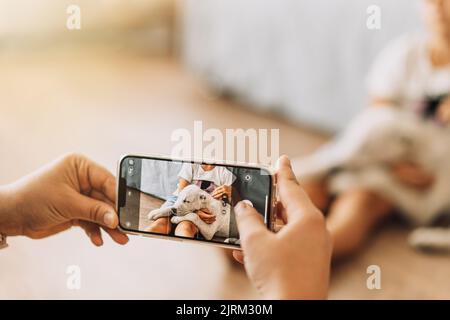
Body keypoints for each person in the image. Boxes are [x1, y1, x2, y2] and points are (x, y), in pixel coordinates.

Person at [0, 153, 331, 299]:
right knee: (171, 220)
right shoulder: (189, 171)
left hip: (209, 210)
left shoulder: (222, 175)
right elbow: (180, 189)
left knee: (185, 226)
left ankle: (176, 225)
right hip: (184, 205)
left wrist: (217, 197)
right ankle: (165, 224)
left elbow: (228, 195)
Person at [300, 0, 450, 258]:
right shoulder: (406, 53)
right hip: (379, 155)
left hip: (425, 174)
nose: (438, 8)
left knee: (362, 198)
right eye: (431, 1)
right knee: (319, 186)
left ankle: (309, 255)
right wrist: (392, 162)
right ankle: (261, 238)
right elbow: (375, 118)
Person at [146, 163, 234, 238]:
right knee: (160, 223)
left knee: (186, 227)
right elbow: (181, 193)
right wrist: (194, 212)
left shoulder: (225, 173)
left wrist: (229, 191)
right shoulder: (191, 164)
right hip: (178, 201)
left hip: (204, 208)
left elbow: (227, 204)